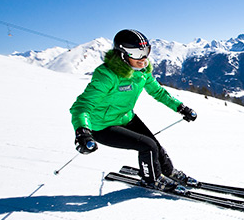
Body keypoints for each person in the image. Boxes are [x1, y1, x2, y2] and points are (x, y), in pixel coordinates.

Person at [70, 29, 197, 191]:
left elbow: (158, 92)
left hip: (126, 117)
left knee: (156, 146)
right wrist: (82, 131)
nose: (143, 59)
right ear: (123, 54)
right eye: (137, 53)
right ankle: (152, 180)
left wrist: (180, 108)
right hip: (102, 126)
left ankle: (168, 171)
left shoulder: (142, 72)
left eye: (146, 51)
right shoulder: (107, 75)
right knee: (147, 145)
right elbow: (82, 105)